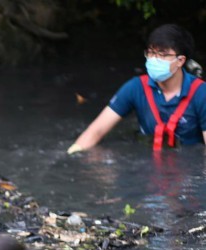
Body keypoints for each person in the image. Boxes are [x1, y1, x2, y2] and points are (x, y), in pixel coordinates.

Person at [68, 24, 206, 153]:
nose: (154, 59)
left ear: (180, 61)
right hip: (147, 162)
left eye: (162, 54)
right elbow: (95, 131)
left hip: (189, 165)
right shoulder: (136, 87)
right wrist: (72, 155)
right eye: (151, 53)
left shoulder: (201, 93)